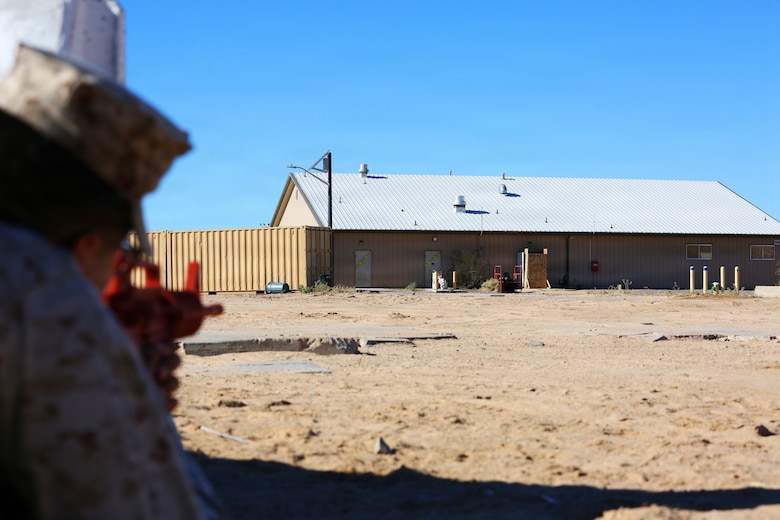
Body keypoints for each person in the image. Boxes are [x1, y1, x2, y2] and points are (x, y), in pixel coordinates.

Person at [0, 44, 225, 518]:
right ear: (85, 248)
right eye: (118, 248)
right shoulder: (42, 293)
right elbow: (143, 501)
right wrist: (133, 402)